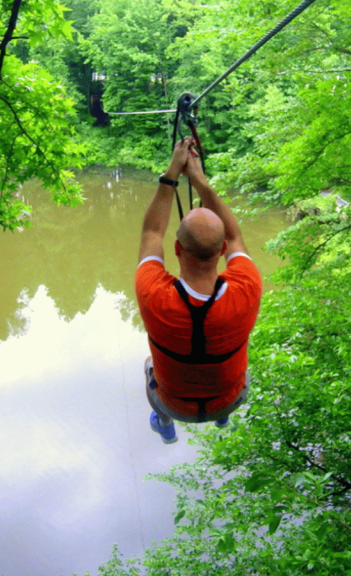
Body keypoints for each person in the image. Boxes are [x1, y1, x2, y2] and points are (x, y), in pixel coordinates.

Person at [135, 137, 262, 444]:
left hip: (176, 404)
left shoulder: (155, 296)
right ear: (221, 252)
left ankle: (164, 421)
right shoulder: (246, 288)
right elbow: (235, 238)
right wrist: (201, 182)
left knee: (148, 365)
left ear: (177, 248)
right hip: (230, 398)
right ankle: (221, 416)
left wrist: (171, 175)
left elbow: (152, 232)